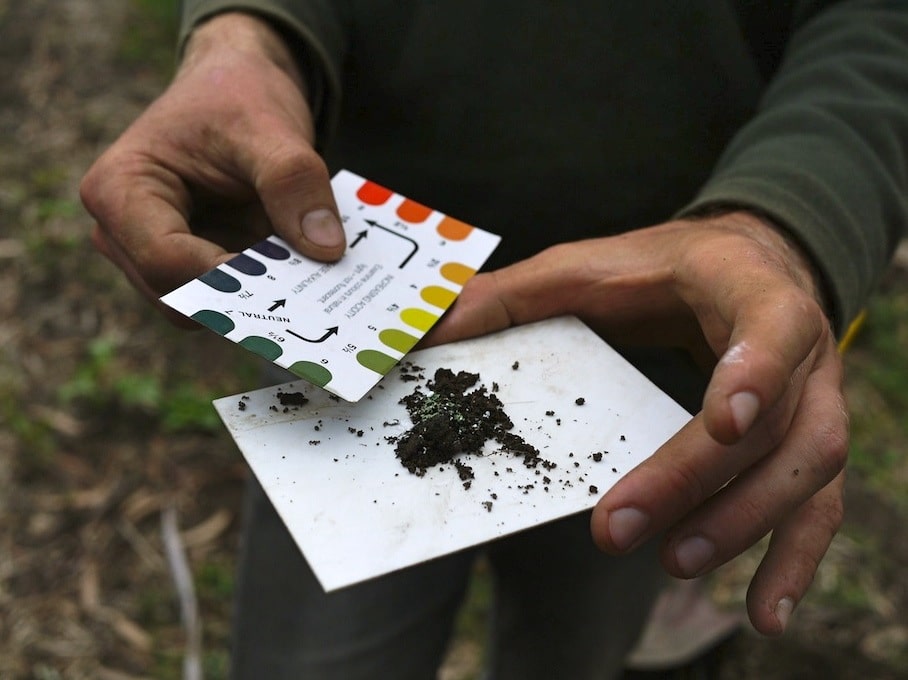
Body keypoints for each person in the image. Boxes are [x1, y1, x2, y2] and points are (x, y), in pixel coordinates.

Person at [80, 2, 908, 678]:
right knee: (315, 654)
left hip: (663, 325)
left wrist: (790, 218)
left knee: (576, 638)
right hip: (364, 311)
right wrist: (248, 36)